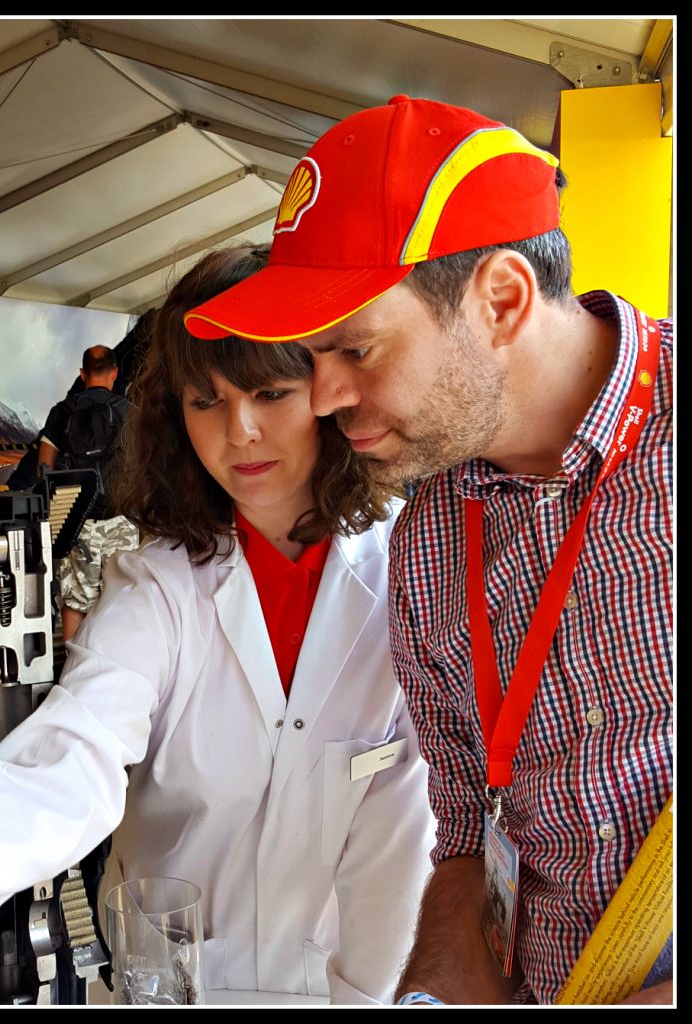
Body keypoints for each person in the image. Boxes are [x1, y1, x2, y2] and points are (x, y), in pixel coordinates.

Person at [0, 245, 435, 1005]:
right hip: (176, 986)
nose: (239, 433)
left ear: (331, 392)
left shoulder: (416, 573)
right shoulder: (159, 584)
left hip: (365, 988)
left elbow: (413, 839)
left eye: (269, 394)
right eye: (206, 402)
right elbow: (66, 766)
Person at [183, 96, 673, 1005]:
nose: (324, 397)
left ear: (499, 300)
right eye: (313, 354)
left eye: (356, 351)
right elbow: (462, 834)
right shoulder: (431, 531)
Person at [37, 345, 138, 642]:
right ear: (115, 373)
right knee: (124, 599)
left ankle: (74, 673)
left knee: (75, 602)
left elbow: (44, 465)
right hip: (120, 519)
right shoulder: (129, 412)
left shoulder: (63, 411)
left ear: (82, 374)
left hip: (77, 520)